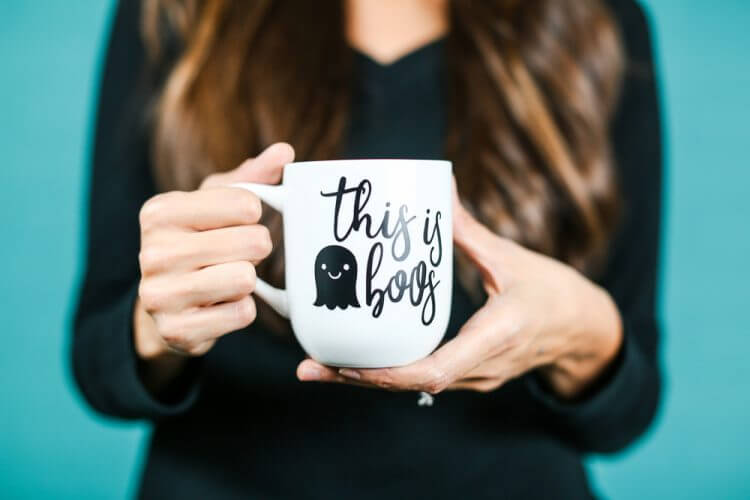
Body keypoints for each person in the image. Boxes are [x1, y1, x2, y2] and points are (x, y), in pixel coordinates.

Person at [73, 0, 662, 498]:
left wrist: (585, 334)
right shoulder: (177, 13)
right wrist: (158, 325)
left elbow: (627, 411)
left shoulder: (592, 19)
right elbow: (96, 364)